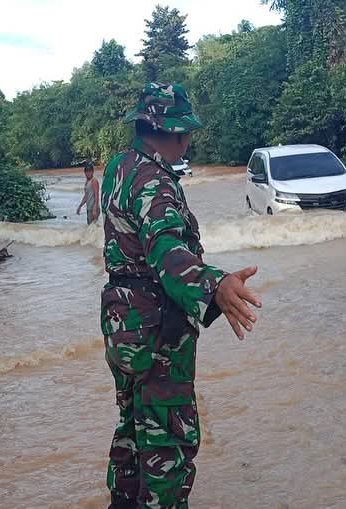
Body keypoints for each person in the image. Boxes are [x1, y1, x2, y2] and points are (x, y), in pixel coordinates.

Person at [100, 82, 262, 509]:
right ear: (171, 132)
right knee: (168, 443)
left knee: (134, 430)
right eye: (184, 133)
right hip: (157, 335)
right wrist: (217, 285)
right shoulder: (156, 182)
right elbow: (167, 251)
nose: (187, 141)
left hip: (123, 327)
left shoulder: (120, 167)